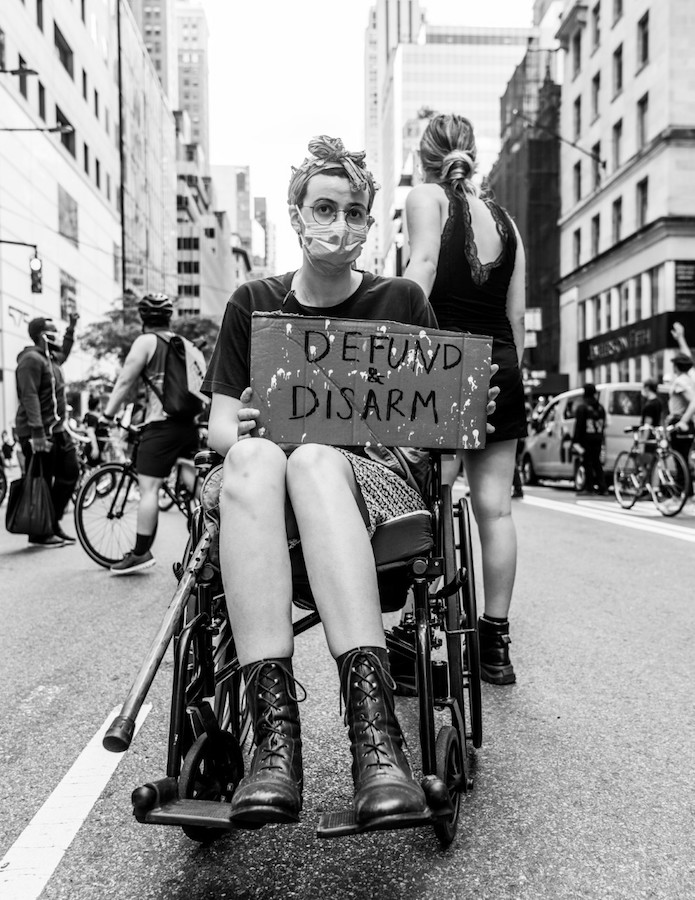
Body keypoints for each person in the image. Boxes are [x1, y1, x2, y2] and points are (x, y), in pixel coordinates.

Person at [201, 135, 498, 831]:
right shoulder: (253, 303)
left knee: (311, 458)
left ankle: (376, 742)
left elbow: (440, 440)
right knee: (252, 458)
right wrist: (244, 424)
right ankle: (274, 747)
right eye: (324, 208)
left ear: (369, 223)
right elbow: (218, 431)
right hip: (261, 491)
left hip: (372, 483)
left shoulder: (398, 299)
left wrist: (430, 431)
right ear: (297, 214)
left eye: (354, 212)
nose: (339, 225)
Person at [403, 113, 526, 685]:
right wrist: (508, 375)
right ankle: (495, 645)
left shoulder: (425, 197)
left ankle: (416, 628)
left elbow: (423, 267)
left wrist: (392, 340)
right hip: (500, 365)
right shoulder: (507, 222)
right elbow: (516, 319)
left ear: (422, 156)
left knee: (427, 497)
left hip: (443, 367)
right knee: (495, 510)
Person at [100, 294, 200, 574]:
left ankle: (141, 553)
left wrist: (107, 416)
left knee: (149, 490)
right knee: (193, 490)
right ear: (170, 318)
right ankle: (210, 540)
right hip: (189, 427)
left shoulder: (146, 342)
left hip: (162, 427)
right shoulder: (189, 346)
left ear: (144, 319)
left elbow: (125, 381)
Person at [14, 314, 80, 547]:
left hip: (58, 429)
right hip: (38, 432)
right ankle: (40, 532)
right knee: (42, 481)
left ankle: (50, 522)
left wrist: (71, 329)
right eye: (53, 330)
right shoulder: (30, 360)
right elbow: (29, 396)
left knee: (71, 472)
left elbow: (65, 351)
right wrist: (38, 433)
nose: (57, 334)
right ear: (42, 334)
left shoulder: (51, 359)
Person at [572, 383, 606, 495]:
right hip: (598, 438)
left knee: (587, 463)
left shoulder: (582, 408)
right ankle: (602, 487)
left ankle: (589, 487)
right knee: (597, 462)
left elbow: (579, 426)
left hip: (586, 439)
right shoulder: (601, 408)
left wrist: (576, 440)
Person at [666, 353, 695, 478]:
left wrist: (682, 420)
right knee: (684, 458)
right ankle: (686, 494)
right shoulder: (690, 380)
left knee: (680, 459)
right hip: (687, 423)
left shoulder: (679, 382)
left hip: (679, 422)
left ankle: (682, 494)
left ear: (676, 367)